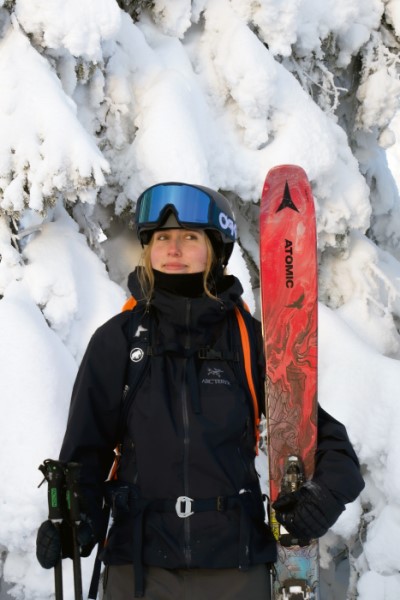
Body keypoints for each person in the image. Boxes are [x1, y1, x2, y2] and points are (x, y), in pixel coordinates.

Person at [36, 182, 364, 600]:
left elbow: (325, 439)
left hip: (235, 565)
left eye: (189, 238)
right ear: (148, 249)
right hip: (138, 568)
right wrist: (74, 523)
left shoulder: (250, 342)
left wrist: (326, 495)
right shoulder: (119, 340)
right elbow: (85, 451)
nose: (173, 249)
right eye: (162, 238)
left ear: (215, 250)